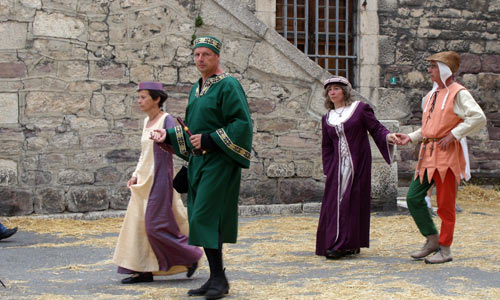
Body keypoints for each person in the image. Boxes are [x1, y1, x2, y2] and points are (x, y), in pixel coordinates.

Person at [150, 36, 253, 299]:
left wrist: (210, 139)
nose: (200, 59)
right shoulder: (196, 88)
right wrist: (168, 137)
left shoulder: (229, 85)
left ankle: (220, 279)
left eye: (206, 55)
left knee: (207, 216)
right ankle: (216, 277)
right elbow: (192, 130)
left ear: (217, 57)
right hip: (199, 163)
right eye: (197, 55)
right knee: (199, 217)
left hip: (219, 161)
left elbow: (241, 123)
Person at [396, 51, 486, 264]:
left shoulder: (459, 93)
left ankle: (445, 249)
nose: (429, 70)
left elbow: (478, 117)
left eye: (433, 67)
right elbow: (428, 128)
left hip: (447, 154)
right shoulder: (431, 95)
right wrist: (410, 137)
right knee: (413, 198)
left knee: (445, 204)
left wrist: (455, 134)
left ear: (445, 69)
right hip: (427, 154)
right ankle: (432, 239)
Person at [112, 82, 203, 284]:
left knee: (155, 227)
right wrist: (136, 174)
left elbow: (180, 146)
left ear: (157, 99)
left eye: (143, 97)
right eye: (139, 97)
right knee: (138, 226)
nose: (139, 101)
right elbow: (144, 153)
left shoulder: (167, 121)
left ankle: (190, 255)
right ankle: (143, 270)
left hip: (159, 179)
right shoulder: (146, 122)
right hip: (142, 181)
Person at [315, 75, 398, 259]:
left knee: (352, 202)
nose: (332, 92)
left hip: (357, 164)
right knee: (333, 203)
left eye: (336, 88)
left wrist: (388, 137)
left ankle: (343, 244)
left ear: (344, 91)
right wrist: (329, 168)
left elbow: (376, 128)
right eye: (330, 90)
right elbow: (326, 146)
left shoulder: (358, 109)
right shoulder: (327, 118)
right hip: (337, 167)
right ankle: (339, 242)